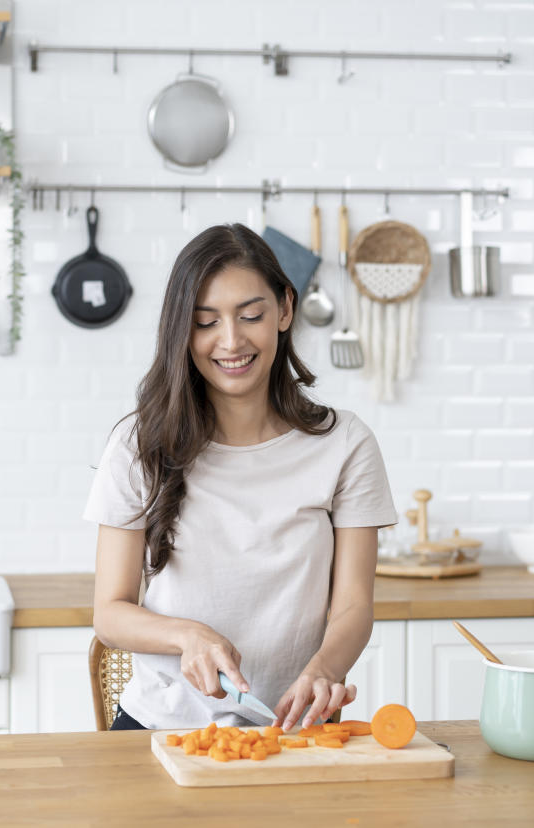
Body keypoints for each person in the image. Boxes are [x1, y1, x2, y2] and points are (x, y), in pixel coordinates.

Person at [85, 223, 397, 732]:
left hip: (293, 732)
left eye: (250, 315)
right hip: (161, 731)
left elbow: (355, 606)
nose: (231, 341)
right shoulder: (138, 445)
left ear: (285, 310)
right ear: (181, 331)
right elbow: (110, 613)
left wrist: (325, 669)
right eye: (205, 322)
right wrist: (188, 636)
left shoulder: (345, 445)